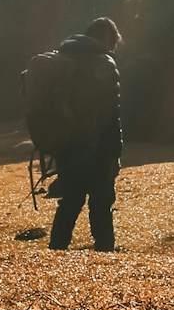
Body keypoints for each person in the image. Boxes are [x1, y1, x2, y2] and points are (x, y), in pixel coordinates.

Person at [48, 17, 124, 252]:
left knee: (70, 201)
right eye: (113, 42)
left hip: (66, 147)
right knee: (101, 203)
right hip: (96, 148)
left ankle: (56, 249)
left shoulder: (65, 59)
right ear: (106, 38)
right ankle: (104, 252)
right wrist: (114, 153)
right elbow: (111, 114)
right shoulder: (103, 63)